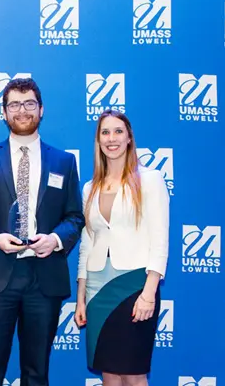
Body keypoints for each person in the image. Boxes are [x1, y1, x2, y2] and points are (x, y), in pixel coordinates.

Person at [0, 77, 85, 386]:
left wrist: (56, 240)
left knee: (36, 372)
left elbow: (74, 216)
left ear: (41, 110)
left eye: (29, 103)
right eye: (14, 104)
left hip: (44, 279)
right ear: (4, 112)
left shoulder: (65, 161)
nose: (22, 110)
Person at [73, 109, 170, 386]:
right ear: (98, 140)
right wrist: (81, 296)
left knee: (133, 374)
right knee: (109, 373)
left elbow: (160, 239)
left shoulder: (150, 180)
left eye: (118, 131)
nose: (111, 138)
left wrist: (149, 293)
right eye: (105, 132)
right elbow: (87, 243)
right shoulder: (90, 187)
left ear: (129, 138)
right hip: (96, 290)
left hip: (134, 286)